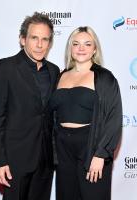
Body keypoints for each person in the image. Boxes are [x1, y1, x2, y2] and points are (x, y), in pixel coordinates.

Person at [0, 12, 60, 200]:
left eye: (45, 39)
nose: (39, 44)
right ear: (22, 39)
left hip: (45, 160)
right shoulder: (5, 68)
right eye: (34, 38)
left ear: (50, 43)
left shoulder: (54, 71)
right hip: (15, 161)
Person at [50, 26, 122, 200]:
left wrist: (101, 154)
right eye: (76, 44)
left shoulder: (105, 78)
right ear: (70, 48)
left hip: (91, 146)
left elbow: (114, 118)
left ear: (94, 48)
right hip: (63, 148)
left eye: (87, 44)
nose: (81, 48)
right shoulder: (61, 76)